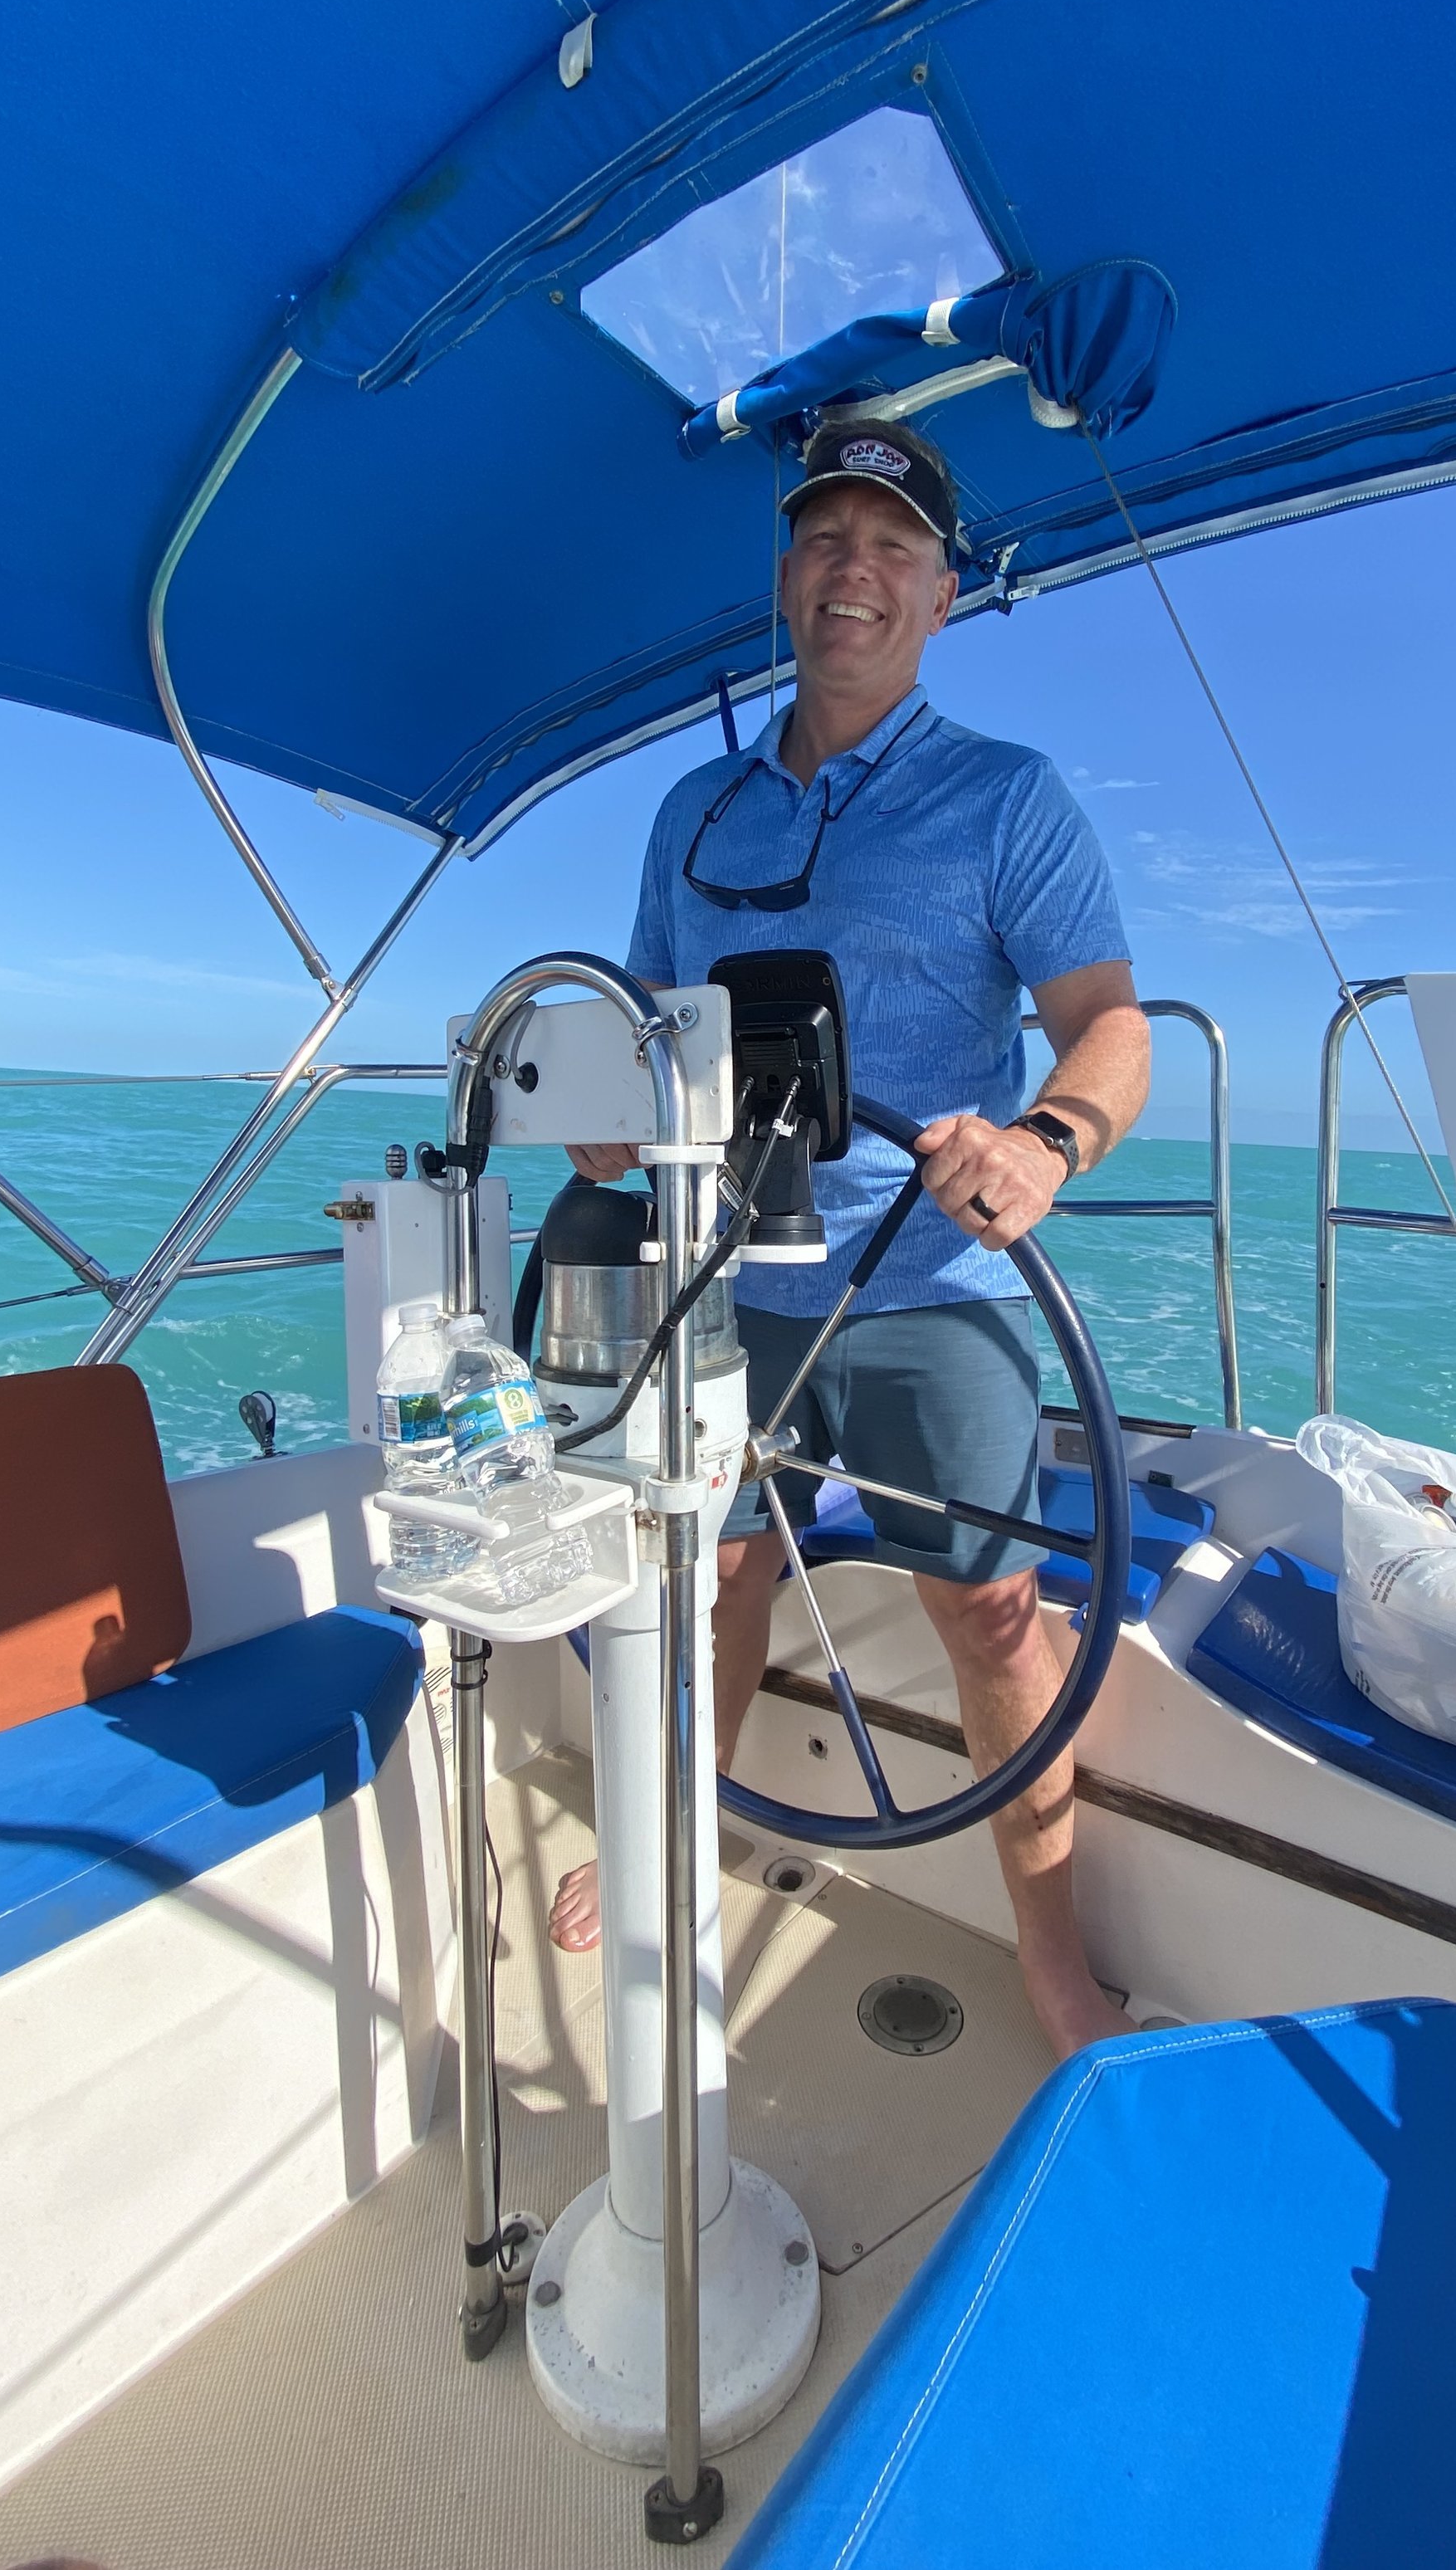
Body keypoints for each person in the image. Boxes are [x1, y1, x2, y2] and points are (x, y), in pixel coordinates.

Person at [555, 416, 1150, 2059]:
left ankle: (1047, 1949)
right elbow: (635, 1021)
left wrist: (1040, 1143)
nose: (853, 572)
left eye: (890, 546)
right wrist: (610, 1099)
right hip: (724, 1279)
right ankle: (671, 1833)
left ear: (941, 594)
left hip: (928, 1284)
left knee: (995, 1615)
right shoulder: (692, 807)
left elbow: (1108, 1026)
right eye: (825, 539)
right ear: (783, 576)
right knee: (716, 1566)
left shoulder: (1004, 798)